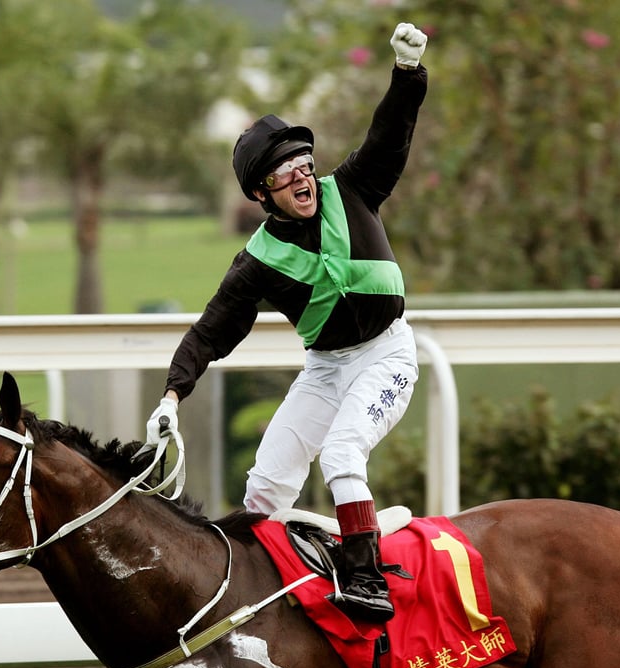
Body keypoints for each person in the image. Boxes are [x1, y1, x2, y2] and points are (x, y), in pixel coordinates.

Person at [145, 22, 428, 623]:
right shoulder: (257, 261)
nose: (301, 176)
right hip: (327, 370)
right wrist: (173, 392)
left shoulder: (352, 188)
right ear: (260, 194)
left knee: (344, 455)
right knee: (265, 487)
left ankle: (367, 579)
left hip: (387, 355)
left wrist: (407, 74)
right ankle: (261, 602)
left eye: (303, 162)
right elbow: (211, 330)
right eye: (283, 172)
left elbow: (390, 135)